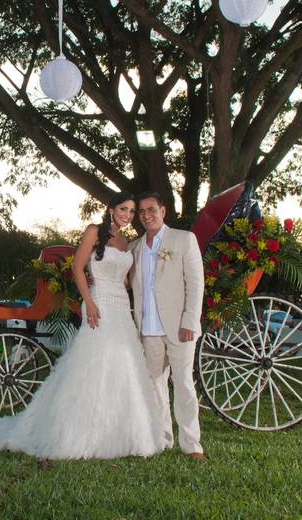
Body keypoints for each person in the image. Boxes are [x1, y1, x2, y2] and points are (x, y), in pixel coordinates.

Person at [0, 192, 170, 459]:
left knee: (125, 363)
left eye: (131, 211)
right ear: (111, 209)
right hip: (99, 302)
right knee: (97, 361)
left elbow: (126, 279)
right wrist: (89, 303)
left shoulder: (126, 241)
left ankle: (126, 432)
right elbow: (78, 268)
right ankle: (82, 432)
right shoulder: (95, 231)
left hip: (121, 307)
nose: (127, 215)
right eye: (123, 209)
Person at [129, 191, 206, 460]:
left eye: (151, 210)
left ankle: (192, 445)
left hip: (178, 327)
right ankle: (162, 439)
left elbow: (196, 284)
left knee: (184, 384)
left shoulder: (183, 239)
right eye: (141, 212)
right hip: (147, 329)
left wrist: (189, 321)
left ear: (163, 211)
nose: (146, 215)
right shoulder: (135, 247)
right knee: (154, 387)